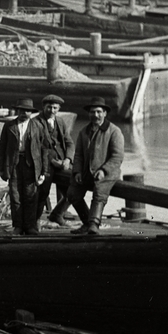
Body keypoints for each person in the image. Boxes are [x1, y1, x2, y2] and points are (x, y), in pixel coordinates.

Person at [67, 96, 126, 235]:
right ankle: (87, 223)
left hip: (107, 173)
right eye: (92, 112)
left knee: (99, 193)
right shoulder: (83, 132)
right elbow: (78, 155)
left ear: (105, 113)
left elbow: (117, 157)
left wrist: (104, 170)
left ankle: (94, 225)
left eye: (99, 112)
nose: (96, 115)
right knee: (72, 193)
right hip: (88, 171)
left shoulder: (114, 131)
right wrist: (77, 172)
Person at [0, 98, 41, 235]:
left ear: (31, 112)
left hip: (31, 165)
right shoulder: (9, 126)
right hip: (14, 164)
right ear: (17, 111)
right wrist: (2, 168)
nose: (24, 113)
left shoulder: (37, 126)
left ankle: (30, 226)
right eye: (21, 110)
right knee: (15, 196)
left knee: (30, 196)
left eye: (27, 111)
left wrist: (43, 170)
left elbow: (44, 149)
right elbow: (2, 148)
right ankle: (18, 226)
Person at [33, 94, 75, 226]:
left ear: (59, 108)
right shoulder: (35, 123)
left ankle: (57, 214)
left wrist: (68, 159)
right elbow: (36, 147)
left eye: (55, 108)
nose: (52, 111)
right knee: (42, 193)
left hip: (62, 163)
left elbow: (69, 143)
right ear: (43, 107)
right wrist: (52, 161)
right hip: (45, 164)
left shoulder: (60, 122)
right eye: (49, 107)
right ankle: (34, 222)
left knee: (73, 191)